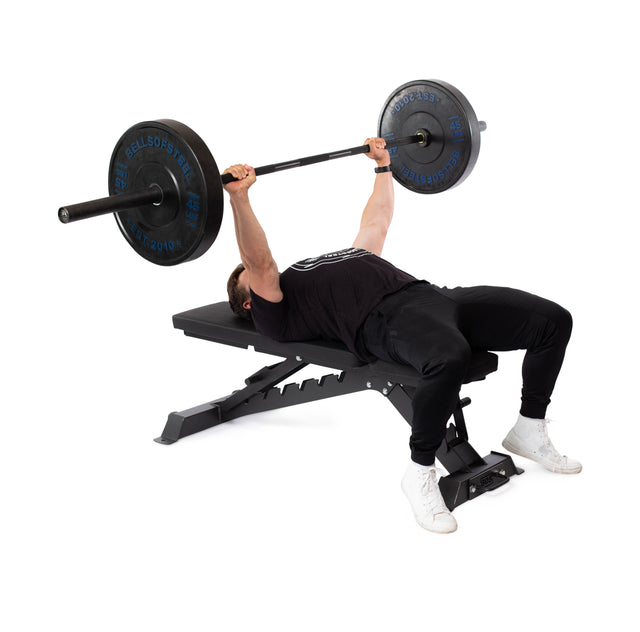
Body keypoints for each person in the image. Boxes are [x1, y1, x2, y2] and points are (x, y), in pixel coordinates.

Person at [223, 137, 581, 534]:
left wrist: (383, 165)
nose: (255, 275)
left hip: (432, 297)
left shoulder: (332, 263)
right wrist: (240, 199)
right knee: (448, 356)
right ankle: (419, 472)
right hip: (384, 322)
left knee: (552, 320)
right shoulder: (277, 311)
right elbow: (260, 260)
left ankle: (529, 428)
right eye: (250, 280)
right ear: (252, 302)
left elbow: (376, 223)